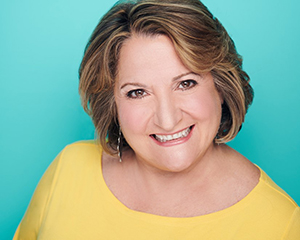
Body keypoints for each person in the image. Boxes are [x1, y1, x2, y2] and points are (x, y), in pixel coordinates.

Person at [13, 0, 300, 239]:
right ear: (112, 104)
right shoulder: (68, 170)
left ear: (221, 87)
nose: (167, 119)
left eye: (186, 83)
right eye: (137, 92)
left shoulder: (283, 223)